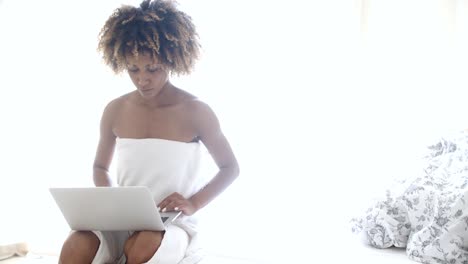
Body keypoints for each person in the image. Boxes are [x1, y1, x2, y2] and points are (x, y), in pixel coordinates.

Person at [58, 0, 240, 263]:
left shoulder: (196, 111)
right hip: (123, 218)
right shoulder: (116, 109)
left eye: (152, 69)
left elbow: (230, 168)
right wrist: (110, 200)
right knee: (76, 243)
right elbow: (100, 166)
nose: (142, 79)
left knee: (143, 245)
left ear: (171, 59)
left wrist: (194, 203)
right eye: (133, 69)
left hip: (172, 224)